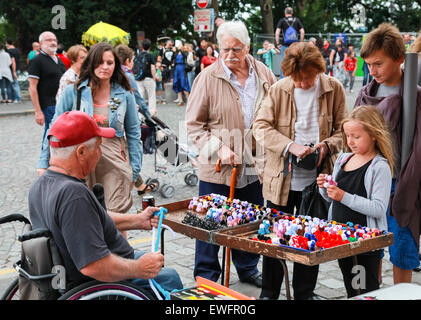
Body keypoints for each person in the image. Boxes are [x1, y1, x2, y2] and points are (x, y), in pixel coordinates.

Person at [29, 110, 183, 291]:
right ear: (81, 152)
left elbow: (88, 221)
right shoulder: (73, 195)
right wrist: (140, 268)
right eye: (99, 146)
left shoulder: (41, 185)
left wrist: (138, 221)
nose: (101, 153)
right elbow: (93, 265)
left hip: (74, 272)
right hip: (98, 281)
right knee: (169, 278)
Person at [186, 20, 277, 287]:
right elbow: (193, 126)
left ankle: (247, 268)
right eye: (224, 49)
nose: (229, 56)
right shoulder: (207, 78)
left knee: (249, 221)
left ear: (248, 47)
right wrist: (218, 148)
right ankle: (206, 276)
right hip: (219, 169)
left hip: (255, 165)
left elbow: (275, 112)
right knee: (210, 225)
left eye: (236, 49)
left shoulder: (263, 74)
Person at [253, 41, 346, 300]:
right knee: (273, 238)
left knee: (310, 240)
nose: (303, 84)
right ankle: (269, 293)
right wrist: (289, 146)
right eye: (298, 79)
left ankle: (305, 293)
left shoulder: (333, 88)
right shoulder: (279, 89)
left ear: (318, 70)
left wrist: (326, 146)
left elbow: (343, 130)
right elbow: (260, 127)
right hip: (280, 180)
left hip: (317, 181)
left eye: (308, 78)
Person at [38, 42, 142, 223]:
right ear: (91, 64)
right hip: (81, 162)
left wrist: (134, 170)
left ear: (116, 65)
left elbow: (134, 133)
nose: (105, 67)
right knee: (86, 219)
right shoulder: (73, 91)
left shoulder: (125, 95)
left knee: (116, 220)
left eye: (110, 63)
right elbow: (54, 127)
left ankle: (121, 252)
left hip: (115, 163)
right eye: (100, 62)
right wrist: (43, 161)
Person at [354, 23, 421, 284]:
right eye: (368, 64)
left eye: (379, 64)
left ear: (400, 59)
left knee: (401, 248)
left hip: (402, 183)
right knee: (370, 248)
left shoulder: (415, 97)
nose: (372, 70)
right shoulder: (365, 93)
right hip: (370, 182)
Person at [317, 105, 393, 297]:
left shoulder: (380, 166)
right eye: (347, 135)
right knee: (352, 287)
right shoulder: (343, 159)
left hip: (365, 243)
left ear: (374, 134)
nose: (350, 141)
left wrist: (343, 196)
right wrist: (325, 188)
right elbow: (331, 199)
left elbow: (378, 207)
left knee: (365, 290)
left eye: (356, 137)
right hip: (342, 238)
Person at [114, 44, 157, 196]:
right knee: (127, 152)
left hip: (115, 119)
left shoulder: (113, 74)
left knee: (122, 152)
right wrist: (148, 114)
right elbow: (138, 98)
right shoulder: (128, 75)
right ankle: (136, 184)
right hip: (126, 119)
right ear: (127, 61)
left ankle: (140, 184)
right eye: (132, 60)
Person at [28, 31, 66, 154]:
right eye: (48, 40)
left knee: (55, 133)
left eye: (54, 39)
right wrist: (38, 111)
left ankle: (53, 160)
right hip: (48, 104)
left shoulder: (59, 60)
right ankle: (46, 161)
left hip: (61, 102)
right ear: (41, 43)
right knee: (52, 132)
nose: (53, 42)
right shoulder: (37, 60)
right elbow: (32, 87)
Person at [275, 7, 305, 78]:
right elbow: (302, 32)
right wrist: (300, 41)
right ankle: (296, 78)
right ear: (292, 13)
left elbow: (277, 32)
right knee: (296, 61)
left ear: (285, 13)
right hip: (295, 45)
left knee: (284, 62)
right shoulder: (297, 20)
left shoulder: (282, 20)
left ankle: (283, 80)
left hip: (284, 45)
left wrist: (278, 43)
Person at [136, 39, 157, 115]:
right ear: (149, 47)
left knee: (141, 96)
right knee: (151, 95)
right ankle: (151, 111)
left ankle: (140, 113)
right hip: (148, 78)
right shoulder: (150, 56)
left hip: (139, 78)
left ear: (142, 47)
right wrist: (154, 78)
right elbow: (152, 68)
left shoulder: (138, 55)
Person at [173, 41, 190, 106]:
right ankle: (181, 100)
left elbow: (185, 56)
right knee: (178, 83)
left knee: (184, 83)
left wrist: (181, 50)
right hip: (177, 68)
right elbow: (173, 57)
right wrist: (175, 51)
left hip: (182, 68)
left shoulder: (185, 52)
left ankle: (189, 100)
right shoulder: (176, 53)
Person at [6, 38, 22, 103]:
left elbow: (13, 62)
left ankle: (17, 98)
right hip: (18, 68)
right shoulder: (17, 50)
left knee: (15, 84)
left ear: (7, 43)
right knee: (15, 84)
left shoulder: (10, 51)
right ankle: (15, 98)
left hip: (13, 69)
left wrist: (14, 71)